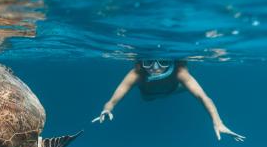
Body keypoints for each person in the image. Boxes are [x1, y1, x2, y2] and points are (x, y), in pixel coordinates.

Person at [92, 59, 245, 141]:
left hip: (173, 90)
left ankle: (182, 87)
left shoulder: (180, 73)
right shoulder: (136, 75)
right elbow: (112, 100)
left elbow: (202, 97)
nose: (155, 68)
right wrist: (107, 109)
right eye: (149, 62)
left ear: (171, 61)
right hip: (148, 96)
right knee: (148, 99)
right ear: (141, 63)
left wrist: (218, 121)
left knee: (190, 88)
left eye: (163, 62)